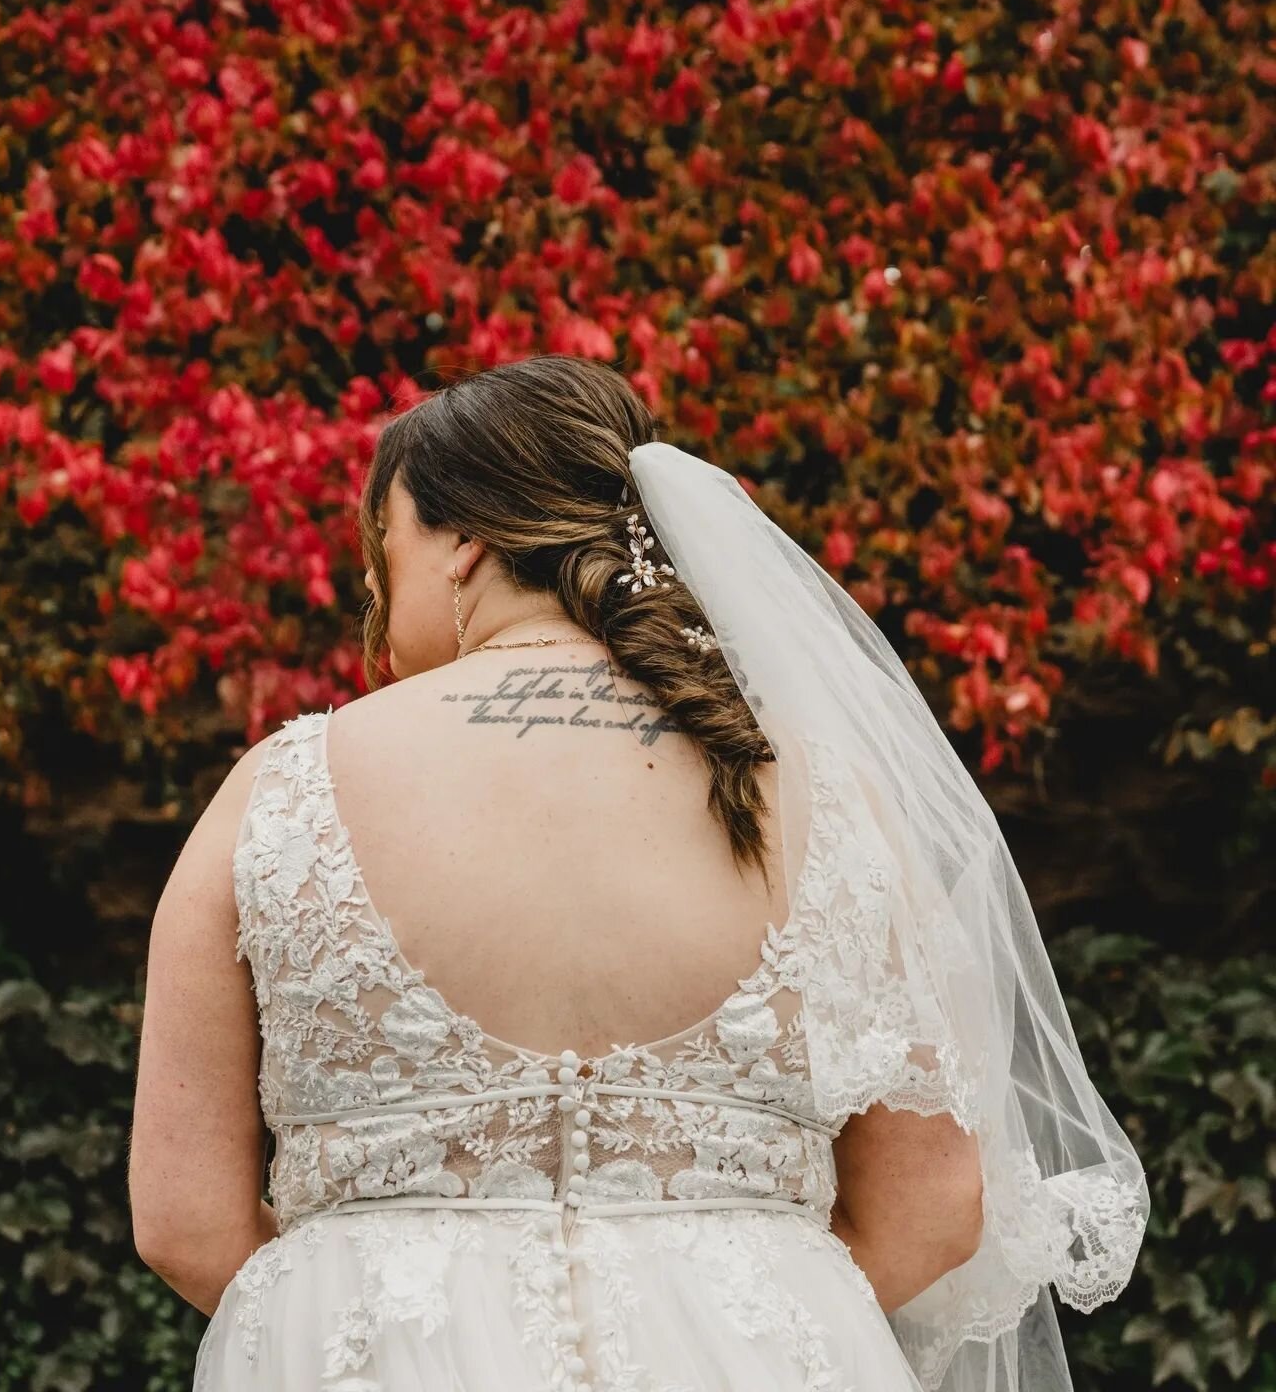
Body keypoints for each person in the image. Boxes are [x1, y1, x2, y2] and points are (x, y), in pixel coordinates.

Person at [130, 354, 1147, 1392]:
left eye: (382, 549)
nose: (373, 595)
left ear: (463, 544)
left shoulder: (281, 792)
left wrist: (358, 1313)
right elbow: (932, 1204)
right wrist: (745, 1308)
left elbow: (183, 1218)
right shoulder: (821, 798)